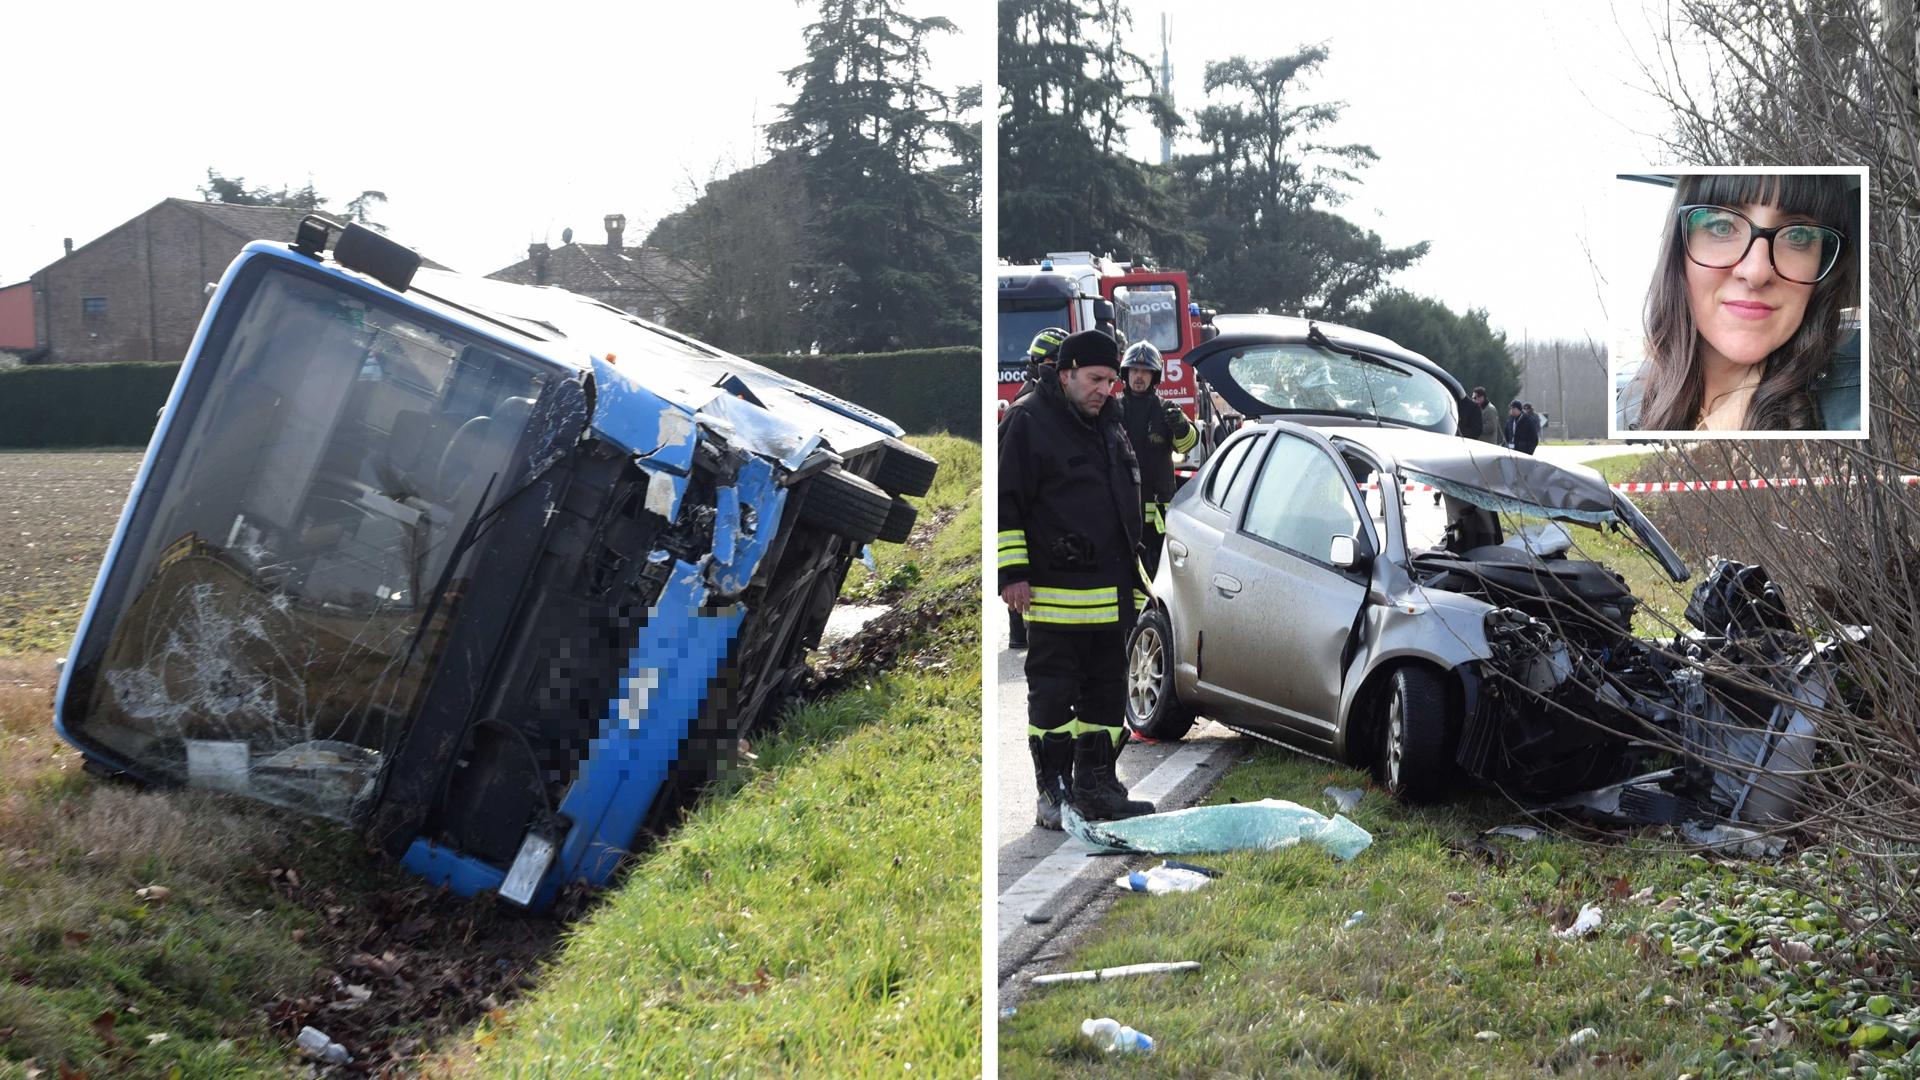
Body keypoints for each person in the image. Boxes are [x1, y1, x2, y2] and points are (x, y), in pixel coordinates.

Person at [999, 329, 1155, 828]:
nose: (1105, 389)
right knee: (1052, 696)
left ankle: (1097, 786)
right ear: (1065, 374)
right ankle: (1054, 791)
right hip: (1054, 596)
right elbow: (1007, 501)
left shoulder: (1109, 422)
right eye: (1094, 379)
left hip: (1111, 596)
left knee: (1107, 697)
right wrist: (1012, 573)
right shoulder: (1028, 421)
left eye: (1110, 380)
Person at [1620, 173, 1857, 431]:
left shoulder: (1858, 408)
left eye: (1797, 236)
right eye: (1722, 227)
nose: (1756, 272)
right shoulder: (1629, 406)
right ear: (1678, 252)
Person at [1005, 327, 1068, 652]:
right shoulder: (1027, 405)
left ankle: (1021, 632)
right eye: (1053, 360)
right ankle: (1020, 631)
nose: (1059, 367)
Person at [1116, 341, 1196, 585]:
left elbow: (1186, 446)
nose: (1139, 376)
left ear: (1155, 377)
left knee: (1157, 575)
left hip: (1158, 516)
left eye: (1145, 371)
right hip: (1120, 511)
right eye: (1134, 370)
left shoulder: (1166, 410)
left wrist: (1181, 427)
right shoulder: (1112, 411)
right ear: (1125, 374)